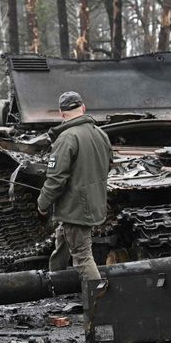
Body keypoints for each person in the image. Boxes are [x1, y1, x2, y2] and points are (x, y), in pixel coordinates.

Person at [36, 90, 114, 281]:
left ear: (62, 114)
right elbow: (108, 165)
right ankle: (57, 283)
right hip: (94, 204)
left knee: (82, 258)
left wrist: (42, 204)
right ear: (83, 108)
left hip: (75, 208)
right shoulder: (101, 134)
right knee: (63, 244)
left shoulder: (66, 138)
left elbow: (55, 179)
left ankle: (99, 301)